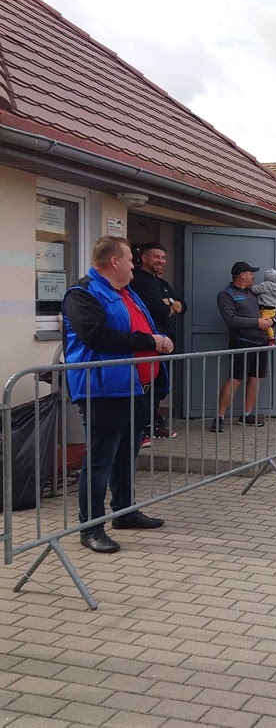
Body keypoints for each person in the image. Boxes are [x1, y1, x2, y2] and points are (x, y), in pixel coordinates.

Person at [62, 236, 172, 554]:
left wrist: (159, 339)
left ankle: (125, 511)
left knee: (126, 454)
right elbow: (96, 336)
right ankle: (91, 527)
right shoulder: (82, 293)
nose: (133, 268)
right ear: (114, 262)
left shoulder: (126, 293)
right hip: (104, 390)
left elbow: (143, 327)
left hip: (135, 388)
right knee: (100, 460)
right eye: (129, 260)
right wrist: (150, 342)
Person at [129, 242, 185, 444]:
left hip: (167, 344)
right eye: (156, 257)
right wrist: (169, 305)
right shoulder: (138, 281)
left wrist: (168, 303)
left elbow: (183, 306)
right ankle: (141, 430)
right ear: (144, 258)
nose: (161, 261)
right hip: (150, 344)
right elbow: (158, 310)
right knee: (147, 388)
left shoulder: (162, 284)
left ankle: (151, 425)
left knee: (159, 389)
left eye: (163, 258)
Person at [211, 261, 273, 432]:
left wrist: (268, 320)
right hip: (241, 343)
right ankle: (219, 417)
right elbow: (231, 319)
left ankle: (246, 415)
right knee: (236, 379)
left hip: (260, 344)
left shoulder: (253, 293)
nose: (254, 277)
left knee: (256, 379)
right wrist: (257, 322)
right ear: (242, 275)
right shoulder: (226, 294)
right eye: (251, 274)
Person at [250, 269, 276, 345]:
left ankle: (272, 339)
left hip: (265, 308)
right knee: (267, 322)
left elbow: (255, 290)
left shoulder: (264, 285)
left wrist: (251, 287)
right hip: (272, 309)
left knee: (266, 324)